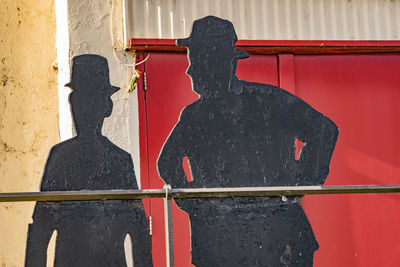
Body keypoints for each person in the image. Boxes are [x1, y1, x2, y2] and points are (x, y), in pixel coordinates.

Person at [157, 16, 338, 266]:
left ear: (216, 62)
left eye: (195, 60)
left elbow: (325, 131)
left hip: (273, 237)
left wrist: (302, 180)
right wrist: (193, 202)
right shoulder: (196, 115)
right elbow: (166, 163)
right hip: (225, 240)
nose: (189, 70)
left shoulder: (270, 101)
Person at [25, 55, 153, 267]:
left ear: (106, 106)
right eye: (79, 99)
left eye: (91, 99)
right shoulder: (61, 157)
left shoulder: (120, 160)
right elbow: (41, 226)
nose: (82, 108)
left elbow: (138, 228)